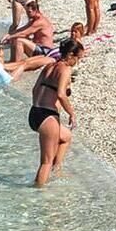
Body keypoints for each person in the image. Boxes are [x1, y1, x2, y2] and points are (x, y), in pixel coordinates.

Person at [30, 37, 81, 188]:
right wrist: (71, 113)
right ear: (71, 55)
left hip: (34, 113)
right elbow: (60, 94)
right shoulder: (66, 69)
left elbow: (35, 89)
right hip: (48, 116)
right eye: (78, 58)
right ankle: (38, 195)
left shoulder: (49, 66)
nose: (78, 62)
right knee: (45, 162)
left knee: (66, 137)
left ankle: (56, 171)